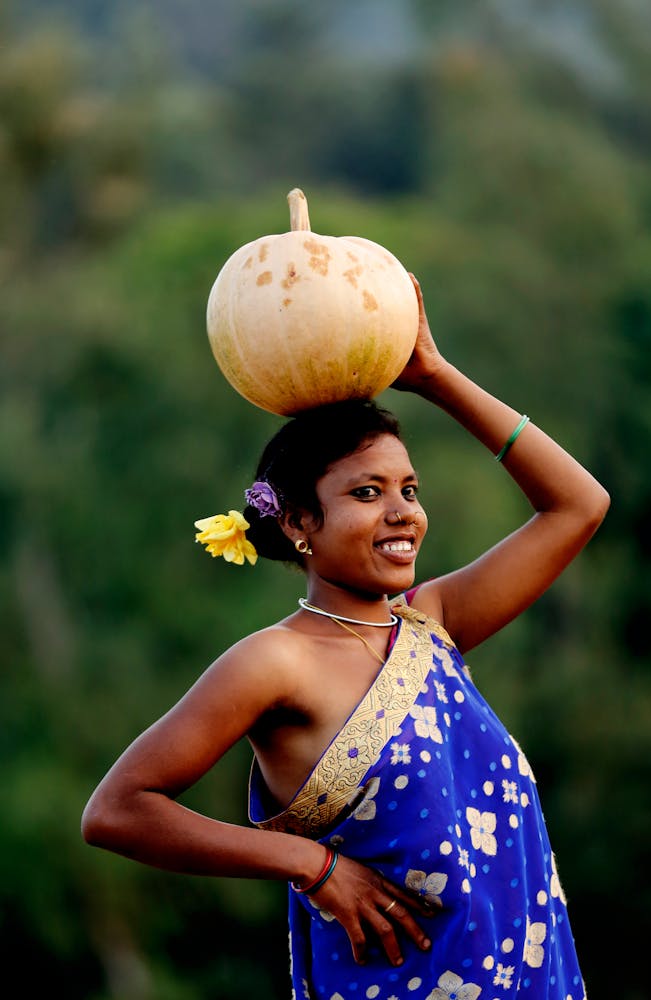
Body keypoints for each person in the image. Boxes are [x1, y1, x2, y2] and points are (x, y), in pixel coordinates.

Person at [82, 275, 609, 1000]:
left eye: (409, 490)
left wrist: (436, 376)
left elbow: (579, 504)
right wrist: (311, 865)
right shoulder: (275, 662)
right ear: (299, 522)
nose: (402, 514)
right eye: (367, 493)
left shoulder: (433, 625)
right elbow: (117, 810)